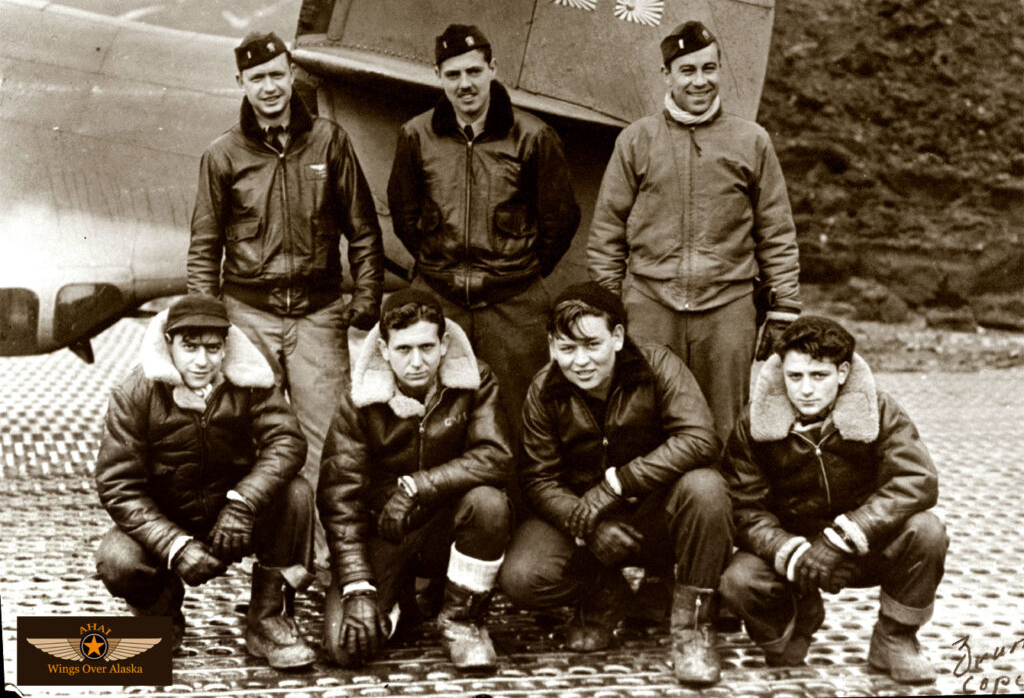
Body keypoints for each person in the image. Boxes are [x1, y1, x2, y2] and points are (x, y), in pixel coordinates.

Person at [187, 30, 384, 561]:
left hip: (319, 314)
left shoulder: (329, 141)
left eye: (277, 74)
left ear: (291, 73)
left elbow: (363, 231)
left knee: (329, 441)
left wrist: (364, 302)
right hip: (248, 314)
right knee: (255, 440)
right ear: (241, 84)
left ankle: (326, 559)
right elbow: (204, 248)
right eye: (257, 79)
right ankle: (271, 563)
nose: (269, 87)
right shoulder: (222, 155)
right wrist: (207, 324)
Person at [499, 282, 733, 687]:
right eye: (566, 348)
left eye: (592, 344)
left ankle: (694, 629)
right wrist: (589, 526)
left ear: (618, 337)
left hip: (657, 511)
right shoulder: (544, 389)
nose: (580, 361)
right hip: (585, 519)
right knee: (523, 575)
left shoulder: (658, 365)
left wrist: (619, 483)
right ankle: (605, 594)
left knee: (707, 490)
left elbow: (700, 439)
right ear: (551, 346)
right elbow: (538, 478)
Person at [587, 20, 801, 442]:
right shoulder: (635, 141)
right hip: (650, 304)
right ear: (667, 75)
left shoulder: (751, 141)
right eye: (688, 70)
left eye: (709, 68)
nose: (700, 81)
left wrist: (783, 308)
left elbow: (776, 230)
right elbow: (607, 231)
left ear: (720, 70)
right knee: (644, 420)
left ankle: (722, 507)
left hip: (728, 307)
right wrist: (613, 305)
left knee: (726, 427)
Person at [719, 315, 948, 683]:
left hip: (861, 545)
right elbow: (745, 506)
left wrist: (845, 537)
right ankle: (794, 621)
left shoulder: (880, 409)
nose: (805, 389)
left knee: (927, 531)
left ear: (842, 373)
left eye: (819, 376)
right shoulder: (754, 423)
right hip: (793, 552)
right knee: (738, 579)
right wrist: (791, 552)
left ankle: (895, 638)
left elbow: (916, 479)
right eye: (795, 377)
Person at [94, 293, 317, 669]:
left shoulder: (251, 383)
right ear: (169, 344)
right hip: (169, 520)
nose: (202, 360)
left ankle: (268, 619)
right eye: (190, 346)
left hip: (234, 517)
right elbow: (118, 484)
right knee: (117, 559)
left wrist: (243, 501)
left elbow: (287, 441)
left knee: (296, 493)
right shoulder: (135, 393)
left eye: (213, 348)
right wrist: (174, 545)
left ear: (225, 347)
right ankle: (161, 616)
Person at [387, 24, 580, 443]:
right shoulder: (416, 136)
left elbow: (561, 220)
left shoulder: (533, 136)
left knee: (518, 418)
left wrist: (519, 273)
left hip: (512, 305)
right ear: (439, 77)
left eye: (474, 71)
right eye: (453, 74)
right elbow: (403, 214)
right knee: (435, 413)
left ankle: (516, 506)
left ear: (493, 69)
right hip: (442, 298)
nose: (465, 84)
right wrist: (436, 265)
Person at [317, 288, 513, 671]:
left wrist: (417, 485)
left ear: (444, 345)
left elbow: (496, 456)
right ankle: (402, 604)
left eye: (427, 347)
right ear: (384, 351)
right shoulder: (359, 399)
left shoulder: (475, 380)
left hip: (446, 523)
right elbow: (340, 499)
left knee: (489, 504)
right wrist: (357, 585)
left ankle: (462, 621)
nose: (417, 362)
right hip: (386, 531)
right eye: (404, 350)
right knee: (346, 649)